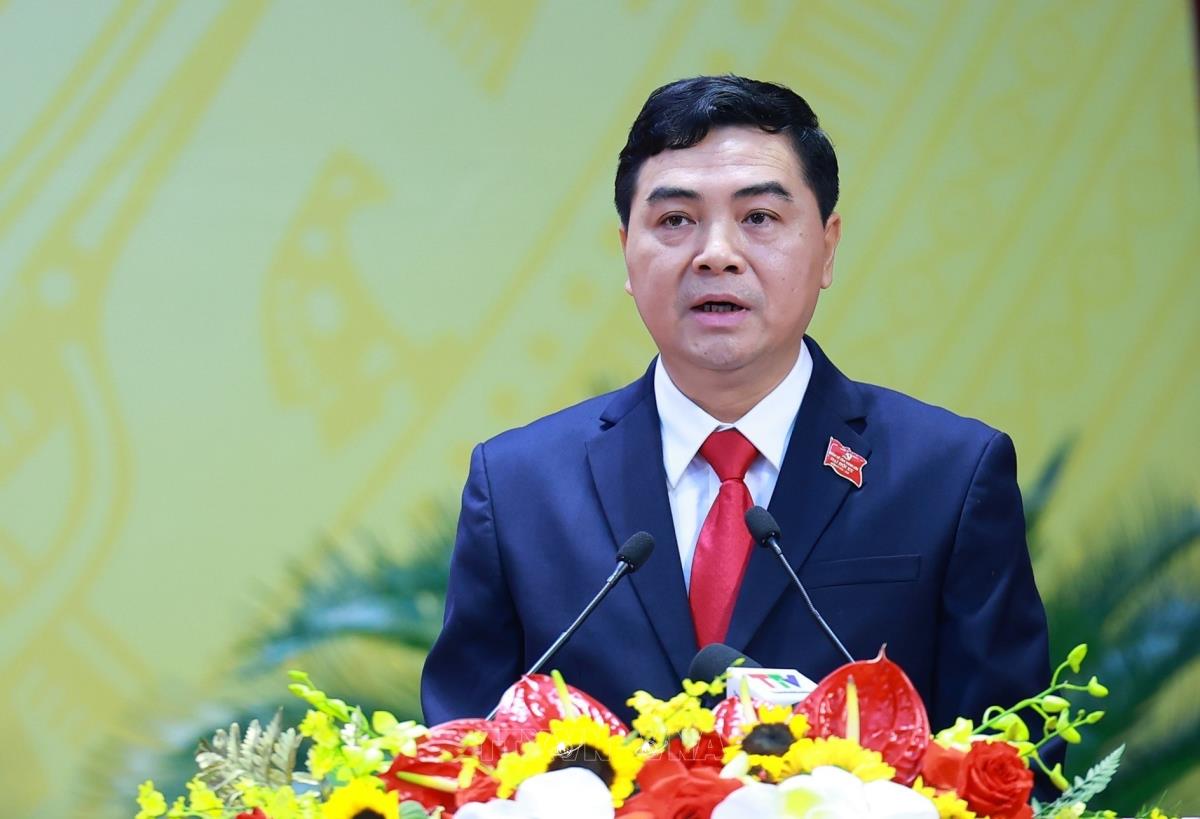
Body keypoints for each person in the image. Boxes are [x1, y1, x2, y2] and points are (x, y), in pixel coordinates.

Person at [420, 75, 1050, 733]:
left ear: (828, 247)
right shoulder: (519, 488)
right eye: (675, 221)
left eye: (759, 218)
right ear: (627, 254)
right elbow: (457, 758)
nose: (716, 255)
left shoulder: (948, 477)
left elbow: (1010, 759)